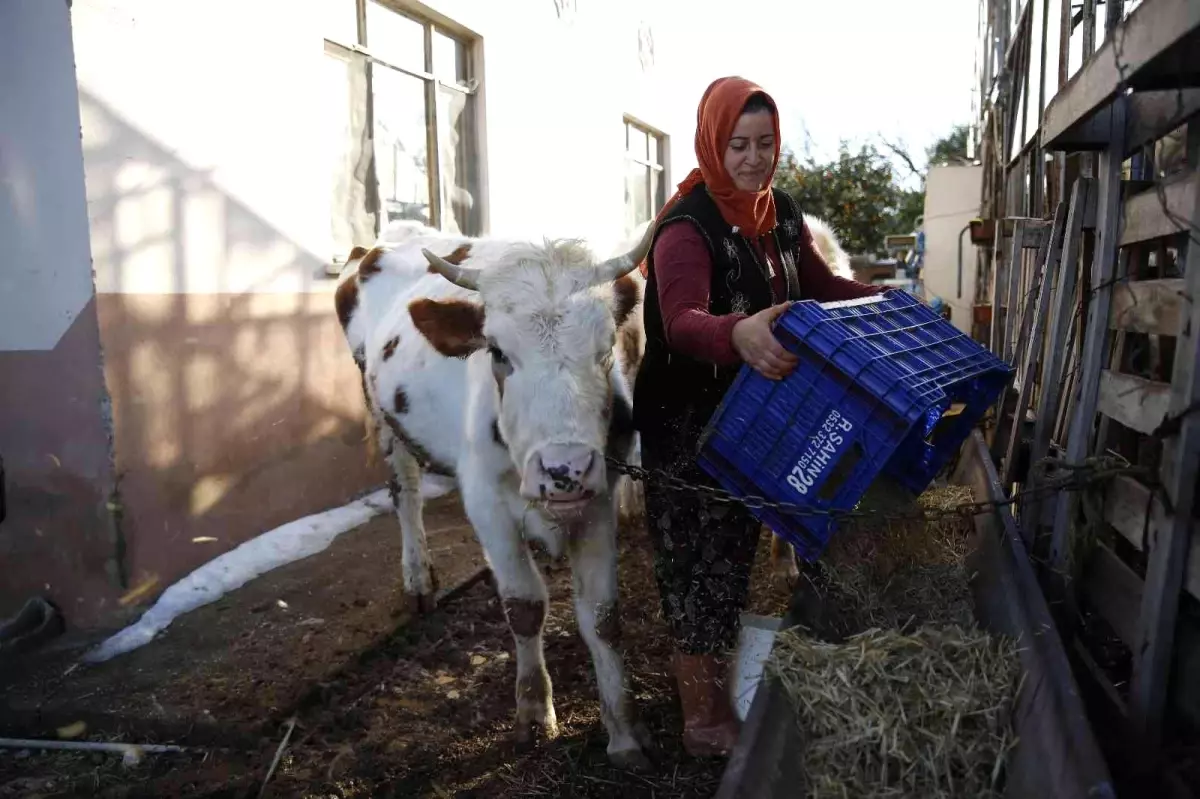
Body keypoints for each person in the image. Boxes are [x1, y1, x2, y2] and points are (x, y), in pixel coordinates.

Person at [631, 76, 885, 758]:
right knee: (696, 567)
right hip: (686, 425)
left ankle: (718, 696)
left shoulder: (780, 215)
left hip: (748, 414)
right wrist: (737, 333)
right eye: (737, 144)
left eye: (764, 143)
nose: (751, 158)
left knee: (734, 553)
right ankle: (702, 722)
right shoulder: (686, 228)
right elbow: (681, 320)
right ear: (714, 142)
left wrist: (882, 299)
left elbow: (821, 287)